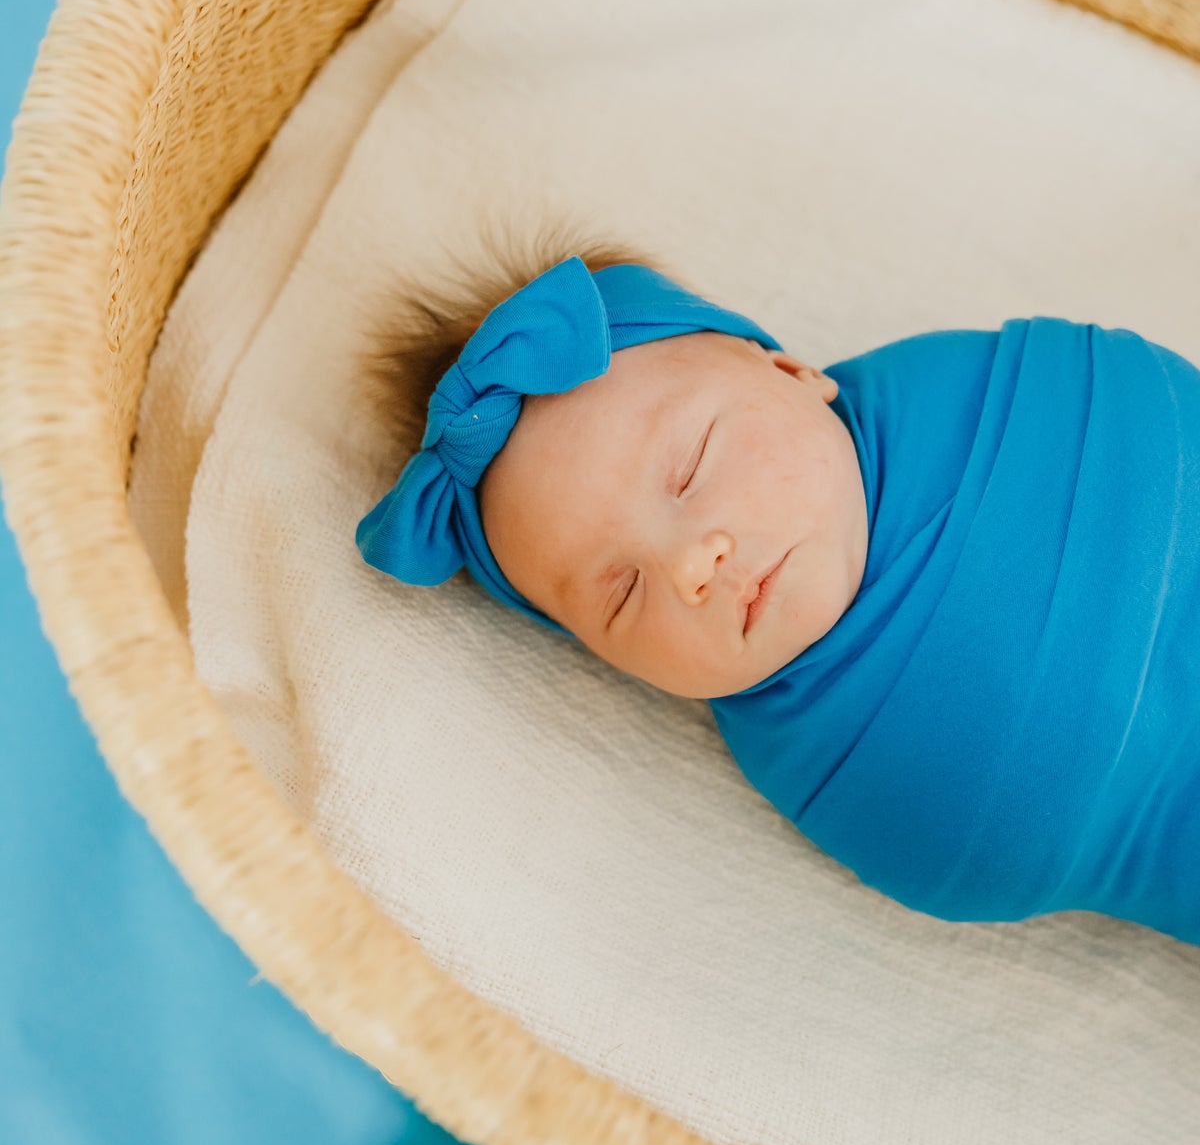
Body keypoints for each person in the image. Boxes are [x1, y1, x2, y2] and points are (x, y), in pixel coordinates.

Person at [356, 241, 1200, 946]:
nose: (692, 565)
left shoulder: (999, 399)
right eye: (621, 594)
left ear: (793, 373)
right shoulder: (808, 757)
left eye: (690, 470)